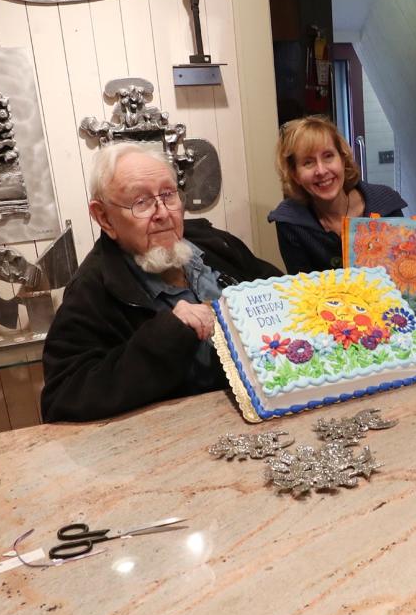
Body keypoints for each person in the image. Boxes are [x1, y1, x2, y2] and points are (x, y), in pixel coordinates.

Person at [42, 143, 280, 422]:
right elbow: (62, 398)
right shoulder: (93, 289)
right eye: (140, 202)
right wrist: (167, 334)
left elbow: (285, 295)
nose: (163, 213)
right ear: (104, 218)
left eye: (168, 195)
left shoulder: (217, 244)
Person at [268, 115, 416, 353]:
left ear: (343, 159)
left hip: (405, 332)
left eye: (328, 156)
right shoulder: (291, 223)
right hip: (343, 342)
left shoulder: (384, 204)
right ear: (295, 174)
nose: (321, 170)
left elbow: (410, 280)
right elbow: (308, 301)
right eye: (308, 163)